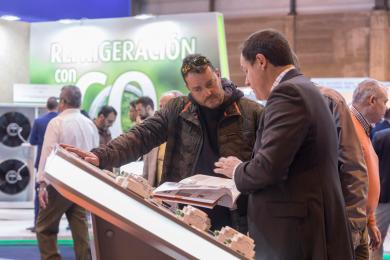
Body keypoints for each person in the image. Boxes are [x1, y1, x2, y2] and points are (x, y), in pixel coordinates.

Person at [62, 53, 263, 232]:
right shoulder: (177, 109)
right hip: (187, 215)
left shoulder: (251, 112)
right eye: (198, 88)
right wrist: (101, 155)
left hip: (238, 217)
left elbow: (267, 164)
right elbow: (141, 135)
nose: (207, 92)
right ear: (188, 88)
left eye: (210, 83)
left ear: (217, 74)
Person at [214, 29, 354, 259]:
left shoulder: (288, 94)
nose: (247, 81)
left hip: (297, 237)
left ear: (261, 61)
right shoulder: (304, 88)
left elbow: (269, 168)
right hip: (307, 229)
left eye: (246, 71)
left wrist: (237, 170)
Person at [36, 85, 99, 260]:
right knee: (80, 231)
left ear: (63, 102)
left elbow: (47, 154)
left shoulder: (57, 122)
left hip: (58, 184)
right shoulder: (90, 124)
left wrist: (42, 184)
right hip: (81, 185)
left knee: (44, 228)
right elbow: (96, 155)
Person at [319, 87, 369, 258]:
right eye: (384, 102)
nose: (385, 107)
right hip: (347, 221)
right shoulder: (331, 102)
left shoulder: (328, 100)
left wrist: (361, 222)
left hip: (352, 221)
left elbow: (355, 169)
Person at [349, 79, 388, 257]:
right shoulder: (348, 126)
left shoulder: (362, 128)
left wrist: (370, 220)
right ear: (372, 100)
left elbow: (364, 177)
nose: (386, 107)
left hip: (361, 220)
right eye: (385, 101)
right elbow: (347, 178)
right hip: (351, 223)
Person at [27, 97, 58, 233]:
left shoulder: (39, 121)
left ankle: (37, 224)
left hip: (42, 161)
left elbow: (32, 141)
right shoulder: (60, 121)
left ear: (46, 106)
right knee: (58, 194)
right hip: (59, 163)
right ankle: (55, 225)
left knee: (40, 192)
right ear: (57, 106)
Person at [143, 90, 184, 187]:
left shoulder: (188, 136)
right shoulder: (154, 134)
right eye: (160, 106)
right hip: (154, 194)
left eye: (166, 106)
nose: (161, 111)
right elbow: (146, 169)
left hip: (178, 194)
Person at [372, 128, 390, 260]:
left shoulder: (380, 136)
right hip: (383, 198)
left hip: (383, 195)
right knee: (376, 240)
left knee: (376, 241)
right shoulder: (381, 137)